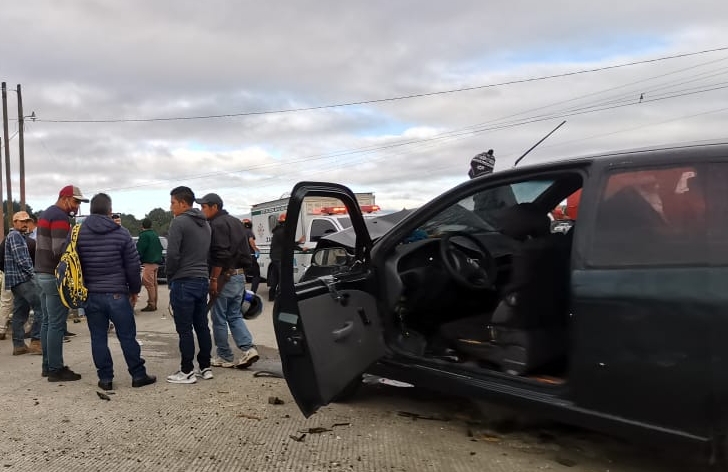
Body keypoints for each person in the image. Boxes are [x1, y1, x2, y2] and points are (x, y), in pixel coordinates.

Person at [75, 193, 156, 390]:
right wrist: (134, 290)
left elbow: (72, 263)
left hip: (92, 294)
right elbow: (132, 266)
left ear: (91, 210)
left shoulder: (78, 234)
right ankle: (138, 375)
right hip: (117, 294)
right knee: (127, 336)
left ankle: (105, 379)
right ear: (110, 211)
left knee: (98, 338)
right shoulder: (121, 233)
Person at [196, 193, 258, 370]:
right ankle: (248, 349)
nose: (202, 210)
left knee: (219, 318)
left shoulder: (217, 224)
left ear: (215, 207)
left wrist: (214, 279)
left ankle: (224, 356)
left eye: (204, 206)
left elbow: (220, 255)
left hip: (224, 276)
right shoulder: (236, 222)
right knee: (235, 315)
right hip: (239, 275)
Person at [36, 185, 87, 382]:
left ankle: (47, 366)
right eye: (75, 201)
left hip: (42, 273)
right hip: (54, 275)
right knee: (57, 324)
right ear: (65, 198)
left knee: (47, 322)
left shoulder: (46, 213)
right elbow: (60, 250)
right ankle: (56, 369)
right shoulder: (59, 217)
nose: (76, 206)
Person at [166, 186, 212, 384]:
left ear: (183, 203)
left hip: (184, 280)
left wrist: (170, 276)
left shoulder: (179, 222)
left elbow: (172, 255)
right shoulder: (205, 224)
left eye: (173, 203)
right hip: (202, 279)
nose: (171, 207)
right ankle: (205, 366)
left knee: (184, 329)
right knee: (202, 326)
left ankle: (187, 371)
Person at [4, 211, 42, 355]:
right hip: (23, 279)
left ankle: (19, 345)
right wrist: (33, 274)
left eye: (26, 221)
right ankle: (36, 341)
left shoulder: (15, 236)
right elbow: (21, 259)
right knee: (41, 307)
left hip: (16, 280)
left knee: (20, 311)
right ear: (14, 222)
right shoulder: (15, 235)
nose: (25, 223)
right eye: (21, 221)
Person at [136, 218, 163, 312]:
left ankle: (151, 304)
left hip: (148, 263)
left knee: (149, 285)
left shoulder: (144, 235)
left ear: (142, 226)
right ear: (151, 225)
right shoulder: (155, 235)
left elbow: (140, 249)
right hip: (156, 263)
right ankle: (154, 303)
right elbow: (160, 248)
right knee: (154, 284)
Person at [267, 212, 286, 301]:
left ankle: (271, 296)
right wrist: (301, 247)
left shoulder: (277, 231)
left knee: (275, 277)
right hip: (279, 257)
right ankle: (280, 297)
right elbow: (287, 244)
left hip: (274, 257)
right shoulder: (283, 231)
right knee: (282, 278)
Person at [242, 218, 261, 294]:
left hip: (242, 257)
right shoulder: (249, 231)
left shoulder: (240, 232)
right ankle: (253, 292)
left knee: (243, 275)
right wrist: (256, 249)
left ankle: (241, 292)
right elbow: (251, 241)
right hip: (250, 256)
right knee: (256, 275)